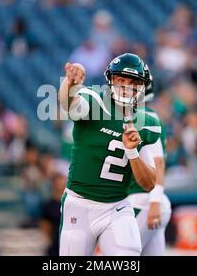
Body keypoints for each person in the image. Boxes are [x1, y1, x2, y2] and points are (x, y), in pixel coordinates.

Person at [58, 53, 160, 256]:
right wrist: (70, 83)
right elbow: (67, 104)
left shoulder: (148, 124)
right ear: (111, 80)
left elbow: (148, 183)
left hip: (117, 207)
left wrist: (132, 151)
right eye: (121, 80)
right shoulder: (95, 102)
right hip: (80, 203)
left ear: (142, 87)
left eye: (132, 82)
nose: (125, 86)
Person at [127, 70, 172, 256]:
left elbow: (158, 164)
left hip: (144, 203)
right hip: (149, 202)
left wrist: (154, 201)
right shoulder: (145, 115)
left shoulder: (143, 118)